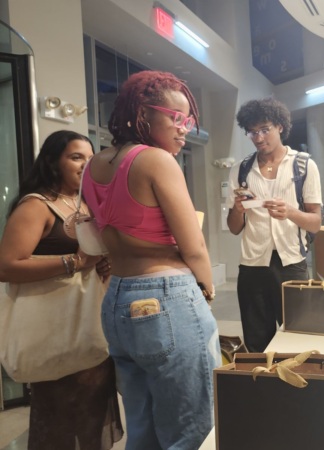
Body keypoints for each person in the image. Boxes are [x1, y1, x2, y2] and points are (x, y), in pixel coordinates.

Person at [82, 70, 220, 449]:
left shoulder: (93, 167)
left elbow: (101, 236)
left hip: (117, 301)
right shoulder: (158, 161)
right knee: (193, 429)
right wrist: (206, 290)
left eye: (187, 120)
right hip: (168, 296)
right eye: (175, 118)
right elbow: (194, 247)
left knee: (141, 426)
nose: (184, 130)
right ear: (143, 112)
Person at [0, 130, 123, 450]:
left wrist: (100, 264)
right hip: (54, 330)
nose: (85, 164)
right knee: (58, 422)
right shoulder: (37, 205)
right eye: (75, 157)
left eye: (88, 157)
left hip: (88, 328)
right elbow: (6, 265)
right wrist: (74, 261)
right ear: (53, 162)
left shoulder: (82, 203)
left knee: (90, 417)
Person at [226, 97, 322, 352]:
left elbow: (315, 223)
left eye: (264, 129)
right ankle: (263, 389)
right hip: (252, 266)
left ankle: (298, 390)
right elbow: (235, 227)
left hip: (291, 264)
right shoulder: (240, 170)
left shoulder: (303, 165)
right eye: (252, 132)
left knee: (298, 337)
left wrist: (290, 212)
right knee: (257, 342)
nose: (258, 137)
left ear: (280, 126)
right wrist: (237, 209)